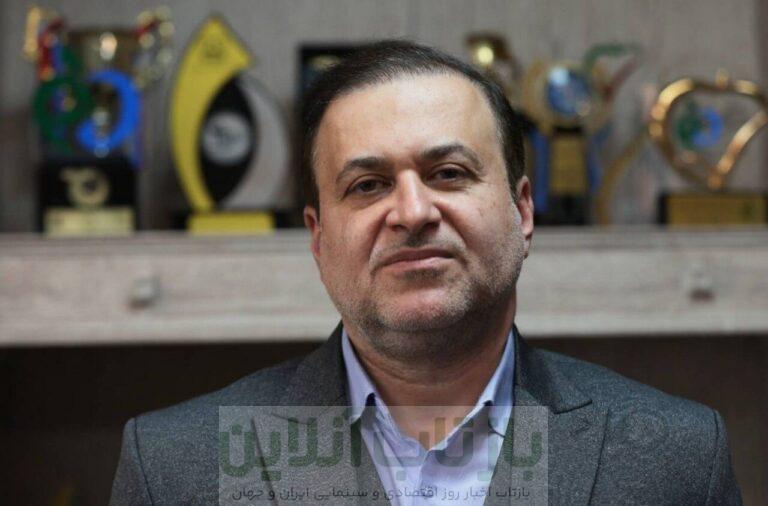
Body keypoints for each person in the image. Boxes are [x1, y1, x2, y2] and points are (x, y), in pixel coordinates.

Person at [110, 40, 742, 505]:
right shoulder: (174, 469)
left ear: (523, 211)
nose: (412, 212)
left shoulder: (679, 459)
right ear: (318, 237)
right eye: (367, 184)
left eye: (449, 174)